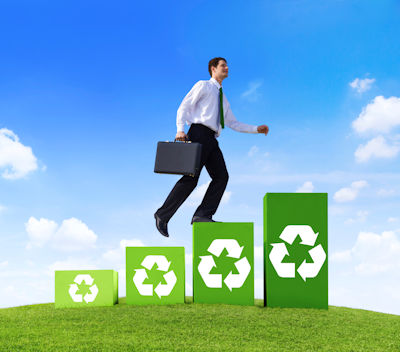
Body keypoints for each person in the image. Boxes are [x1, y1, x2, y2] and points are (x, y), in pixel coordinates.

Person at [154, 57, 269, 237]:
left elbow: (233, 123)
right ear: (213, 69)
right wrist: (180, 130)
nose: (227, 68)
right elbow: (183, 107)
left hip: (211, 138)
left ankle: (202, 214)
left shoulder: (224, 100)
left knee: (222, 176)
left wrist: (256, 129)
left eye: (227, 65)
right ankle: (162, 214)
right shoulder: (203, 86)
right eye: (223, 65)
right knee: (191, 178)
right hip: (198, 132)